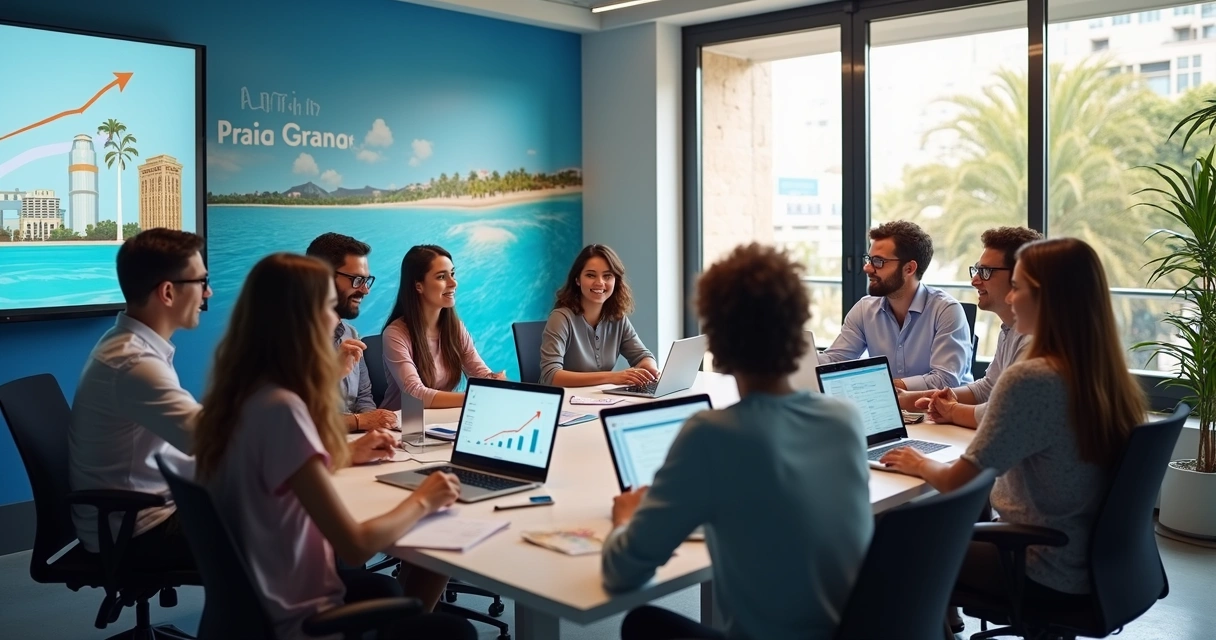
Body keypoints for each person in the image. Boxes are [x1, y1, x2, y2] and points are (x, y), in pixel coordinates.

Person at [193, 253, 476, 640]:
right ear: (301, 320)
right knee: (452, 631)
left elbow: (275, 475)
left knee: (394, 587)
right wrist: (425, 498)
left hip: (260, 602)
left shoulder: (240, 395)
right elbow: (356, 546)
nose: (334, 320)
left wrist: (345, 453)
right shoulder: (282, 410)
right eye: (327, 307)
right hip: (302, 619)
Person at [604, 243, 873, 640]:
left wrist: (625, 518)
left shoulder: (712, 434)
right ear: (797, 330)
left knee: (641, 623)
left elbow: (622, 573)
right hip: (850, 631)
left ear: (717, 342)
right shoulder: (845, 418)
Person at [882, 237, 1147, 605]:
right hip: (1090, 561)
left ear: (1048, 297)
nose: (1009, 298)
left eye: (1017, 288)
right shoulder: (1104, 373)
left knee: (888, 543)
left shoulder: (1033, 378)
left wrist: (916, 460)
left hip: (1039, 565)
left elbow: (958, 479)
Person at [69, 229, 210, 569]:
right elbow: (213, 441)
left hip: (150, 506)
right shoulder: (134, 363)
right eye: (202, 281)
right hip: (139, 529)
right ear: (167, 292)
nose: (208, 292)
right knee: (287, 527)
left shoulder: (129, 344)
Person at [898, 226, 1042, 428]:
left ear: (1019, 276)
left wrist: (952, 410)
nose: (975, 281)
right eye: (977, 270)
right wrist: (921, 398)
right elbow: (989, 388)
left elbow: (1006, 414)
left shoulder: (1035, 339)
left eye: (985, 272)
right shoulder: (1009, 329)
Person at [819, 220, 972, 390]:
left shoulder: (946, 311)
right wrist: (794, 355)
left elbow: (945, 381)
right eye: (869, 259)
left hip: (943, 413)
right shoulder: (864, 309)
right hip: (889, 410)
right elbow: (835, 361)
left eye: (878, 261)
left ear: (909, 269)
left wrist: (884, 386)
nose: (867, 268)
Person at [380, 245, 504, 410]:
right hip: (401, 428)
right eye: (441, 277)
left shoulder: (456, 328)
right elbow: (415, 393)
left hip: (439, 423)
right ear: (419, 286)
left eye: (452, 274)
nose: (453, 283)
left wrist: (494, 381)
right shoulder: (395, 334)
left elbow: (481, 375)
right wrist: (475, 397)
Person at [305, 232, 398, 432]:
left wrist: (377, 431)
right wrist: (360, 422)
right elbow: (294, 421)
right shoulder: (285, 340)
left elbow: (364, 398)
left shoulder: (350, 334)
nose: (365, 290)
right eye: (357, 280)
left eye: (366, 280)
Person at [539, 244, 659, 387]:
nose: (599, 282)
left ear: (616, 281)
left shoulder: (618, 318)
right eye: (590, 275)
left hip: (598, 399)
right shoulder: (561, 318)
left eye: (607, 276)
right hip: (562, 403)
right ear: (577, 280)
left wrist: (650, 370)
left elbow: (643, 356)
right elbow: (551, 376)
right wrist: (612, 377)